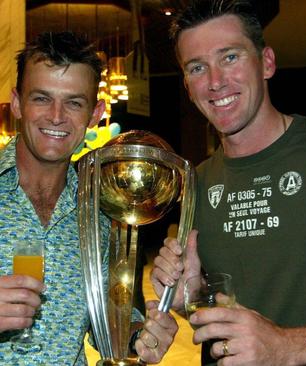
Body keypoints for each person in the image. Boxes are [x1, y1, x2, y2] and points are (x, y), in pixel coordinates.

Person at [149, 1, 306, 365]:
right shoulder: (197, 181)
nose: (215, 82)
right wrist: (189, 295)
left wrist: (292, 346)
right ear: (188, 87)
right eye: (197, 67)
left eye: (230, 58)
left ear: (267, 62)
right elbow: (224, 299)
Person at [0, 31, 178, 364]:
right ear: (18, 103)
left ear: (95, 114)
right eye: (41, 98)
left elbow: (111, 320)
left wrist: (143, 335)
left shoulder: (101, 214)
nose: (56, 116)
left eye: (73, 102)